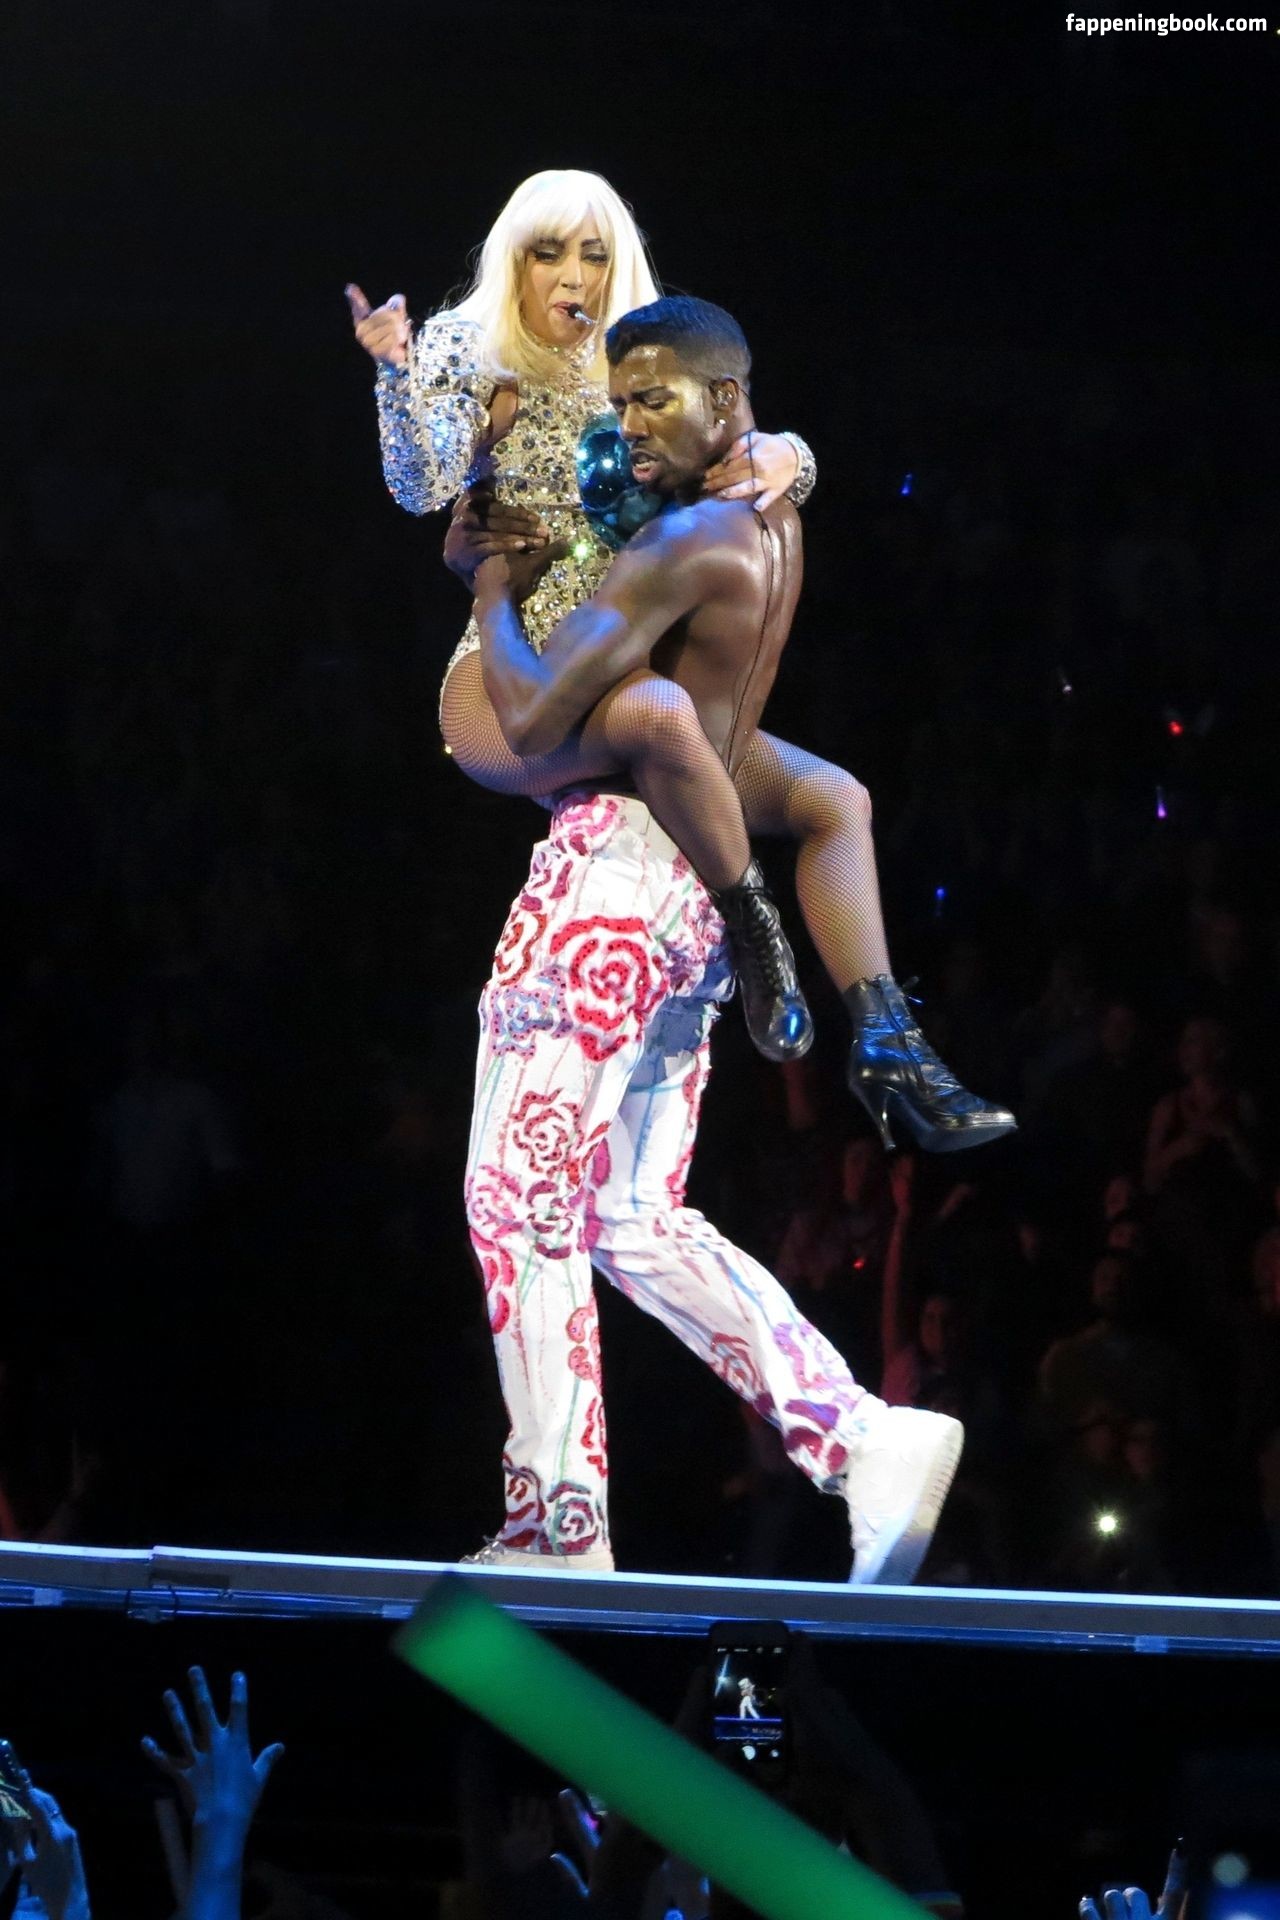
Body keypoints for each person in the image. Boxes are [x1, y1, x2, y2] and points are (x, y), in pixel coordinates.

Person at [451, 294, 964, 1582]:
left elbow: (529, 718)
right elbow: (763, 450)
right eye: (620, 402)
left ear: (723, 400)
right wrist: (790, 450)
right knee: (628, 1214)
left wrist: (489, 583)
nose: (627, 423)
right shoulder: (763, 508)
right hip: (686, 892)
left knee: (516, 1201)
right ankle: (862, 1441)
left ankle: (557, 1526)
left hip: (612, 879)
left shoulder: (690, 534)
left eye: (650, 400)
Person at [349, 167, 1013, 1149]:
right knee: (658, 713)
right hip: (509, 683)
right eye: (547, 251)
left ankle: (892, 1052)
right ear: (513, 260)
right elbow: (420, 483)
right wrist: (396, 372)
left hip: (627, 674)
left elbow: (740, 441)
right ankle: (755, 936)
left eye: (593, 253)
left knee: (837, 800)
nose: (572, 274)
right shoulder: (477, 356)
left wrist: (792, 452)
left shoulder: (640, 370)